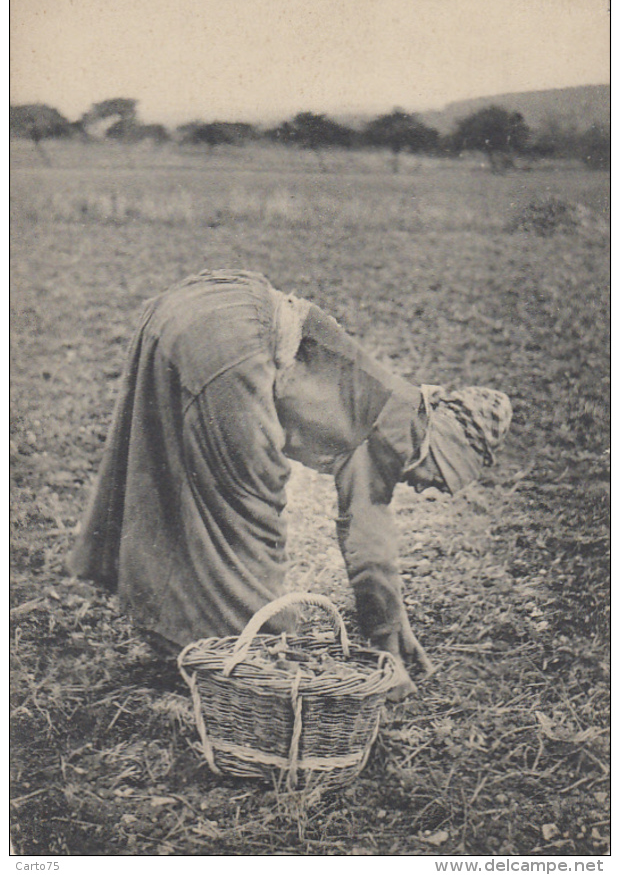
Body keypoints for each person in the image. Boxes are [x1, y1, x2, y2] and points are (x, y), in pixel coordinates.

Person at [70, 269, 512, 696]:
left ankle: (183, 632)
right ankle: (252, 661)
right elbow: (369, 547)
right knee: (248, 517)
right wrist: (383, 648)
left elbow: (369, 541)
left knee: (176, 478)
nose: (427, 489)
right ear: (441, 447)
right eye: (442, 480)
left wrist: (392, 629)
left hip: (194, 306)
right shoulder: (400, 429)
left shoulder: (394, 402)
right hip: (229, 341)